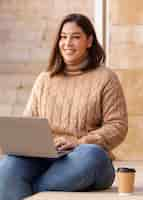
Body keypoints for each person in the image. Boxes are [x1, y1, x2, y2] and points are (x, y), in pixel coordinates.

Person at [0, 13, 128, 200]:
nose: (68, 43)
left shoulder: (106, 78)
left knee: (90, 154)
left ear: (89, 41)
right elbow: (28, 121)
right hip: (45, 156)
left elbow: (118, 126)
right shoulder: (45, 79)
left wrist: (80, 142)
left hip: (86, 158)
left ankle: (34, 191)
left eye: (75, 37)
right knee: (9, 167)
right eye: (63, 37)